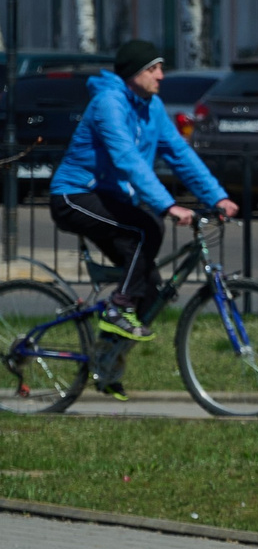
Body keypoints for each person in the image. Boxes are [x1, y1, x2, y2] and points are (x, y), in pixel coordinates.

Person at [49, 39, 237, 375]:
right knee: (146, 227)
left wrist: (217, 197)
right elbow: (127, 159)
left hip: (110, 199)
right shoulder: (109, 103)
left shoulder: (151, 107)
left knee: (150, 287)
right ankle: (117, 309)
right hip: (74, 196)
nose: (161, 76)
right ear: (134, 73)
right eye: (153, 69)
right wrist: (167, 206)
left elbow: (180, 154)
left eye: (161, 67)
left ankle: (105, 362)